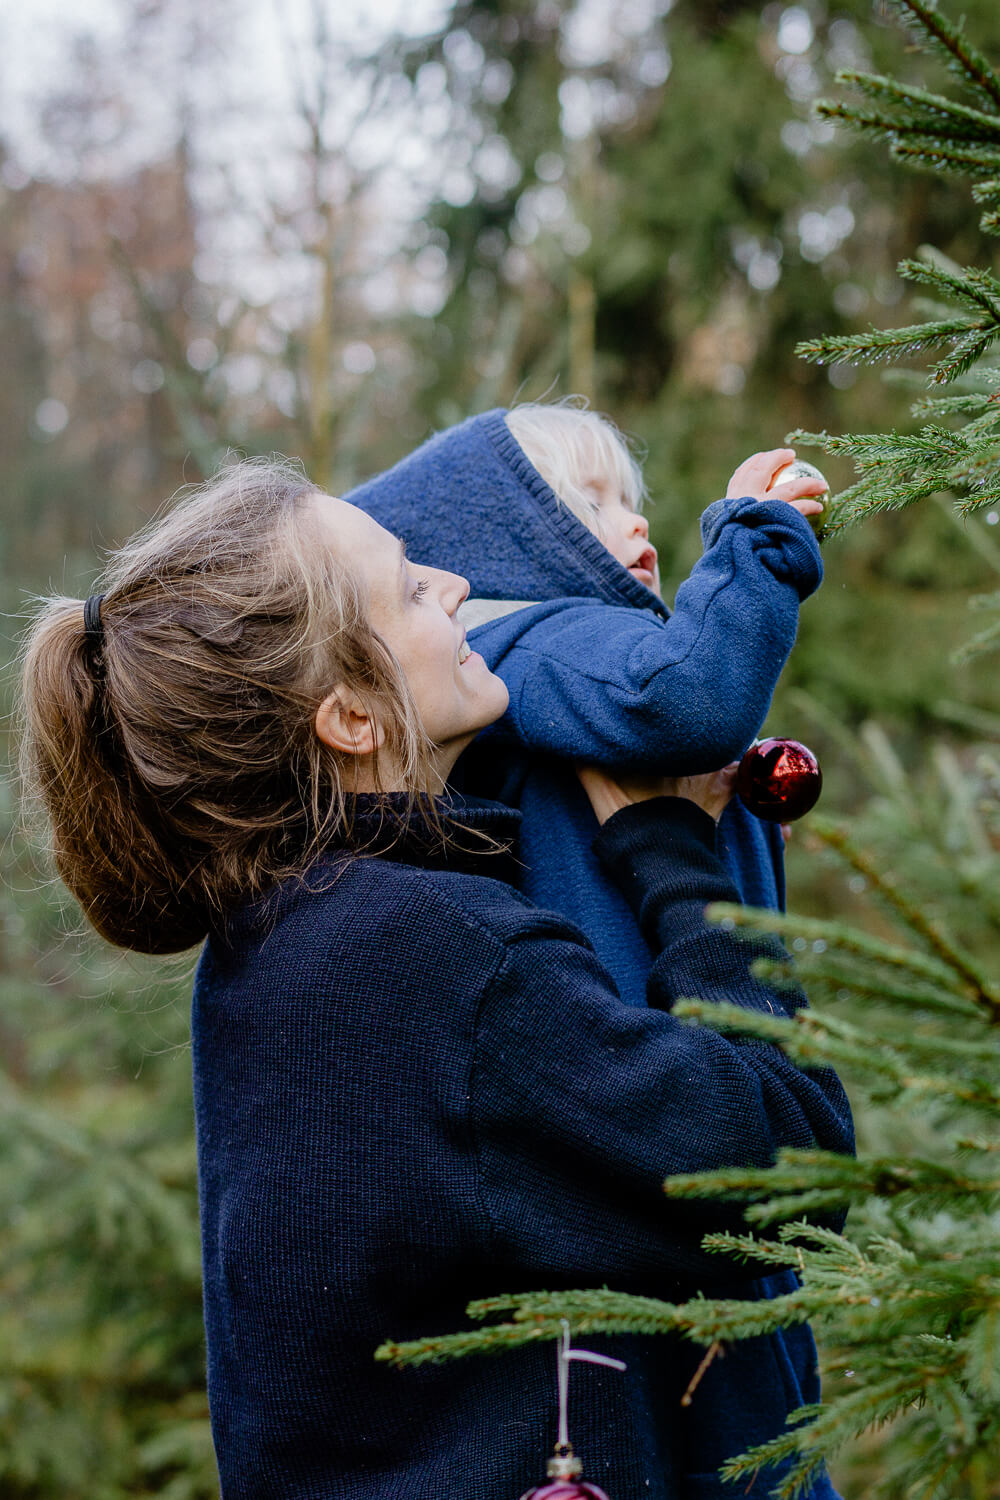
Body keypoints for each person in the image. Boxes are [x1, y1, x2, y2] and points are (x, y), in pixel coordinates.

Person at [19, 458, 852, 1499]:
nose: (456, 586)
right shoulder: (429, 951)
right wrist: (673, 850)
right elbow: (793, 1172)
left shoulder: (286, 939)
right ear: (352, 719)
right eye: (411, 586)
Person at [346, 402, 827, 1008]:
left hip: (710, 1000)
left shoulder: (567, 657)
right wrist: (757, 538)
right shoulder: (539, 643)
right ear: (511, 537)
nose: (636, 525)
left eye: (631, 502)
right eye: (594, 505)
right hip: (648, 1025)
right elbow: (685, 700)